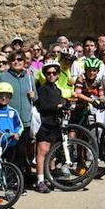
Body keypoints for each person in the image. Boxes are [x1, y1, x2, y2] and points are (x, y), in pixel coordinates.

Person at [33, 60, 69, 188]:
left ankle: (49, 177)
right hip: (45, 123)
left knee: (51, 153)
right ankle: (40, 180)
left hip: (55, 124)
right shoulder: (43, 89)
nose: (51, 75)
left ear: (58, 74)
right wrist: (57, 106)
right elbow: (43, 106)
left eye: (54, 73)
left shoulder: (58, 90)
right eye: (48, 73)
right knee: (42, 152)